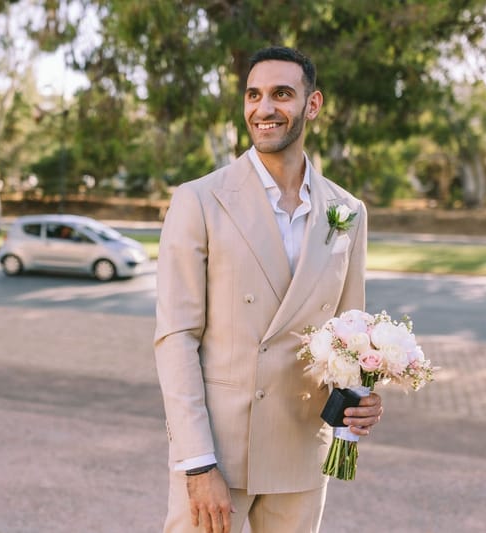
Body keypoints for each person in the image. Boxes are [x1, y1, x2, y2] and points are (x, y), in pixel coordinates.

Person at [154, 46, 384, 533]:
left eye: (282, 94)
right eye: (254, 95)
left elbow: (350, 335)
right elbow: (176, 337)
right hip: (219, 451)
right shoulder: (199, 200)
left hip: (301, 449)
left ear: (312, 105)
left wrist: (359, 401)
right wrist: (196, 463)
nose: (264, 109)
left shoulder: (348, 211)